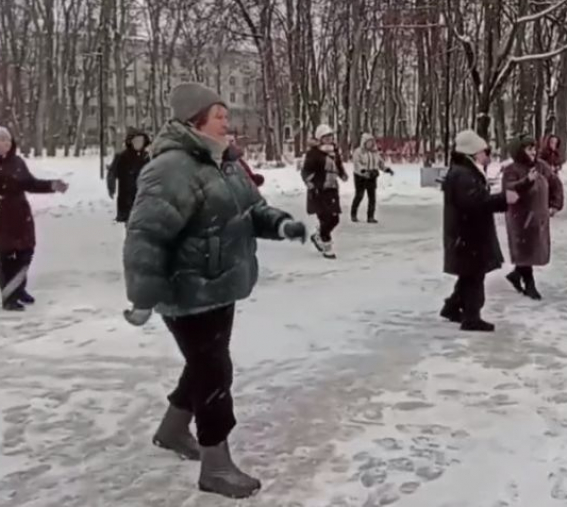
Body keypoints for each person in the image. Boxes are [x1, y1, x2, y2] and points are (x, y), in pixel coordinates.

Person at [122, 82, 307, 500]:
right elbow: (146, 237)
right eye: (219, 114)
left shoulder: (223, 163)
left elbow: (251, 209)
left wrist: (280, 223)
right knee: (213, 371)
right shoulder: (169, 169)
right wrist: (142, 297)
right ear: (195, 120)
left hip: (220, 286)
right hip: (187, 291)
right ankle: (216, 466)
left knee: (203, 364)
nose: (228, 120)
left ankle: (171, 431)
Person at [0, 125, 69, 311]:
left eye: (8, 139)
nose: (7, 143)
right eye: (1, 139)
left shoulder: (17, 162)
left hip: (19, 215)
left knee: (25, 252)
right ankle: (9, 296)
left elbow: (30, 183)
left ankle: (18, 289)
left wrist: (52, 185)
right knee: (5, 256)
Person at [440, 130, 519, 332]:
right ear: (473, 152)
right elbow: (474, 203)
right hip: (468, 234)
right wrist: (503, 199)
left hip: (467, 234)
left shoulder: (465, 171)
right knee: (474, 275)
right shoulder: (463, 174)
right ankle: (471, 316)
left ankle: (452, 307)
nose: (488, 156)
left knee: (469, 274)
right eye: (485, 151)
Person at [502, 137, 564, 300]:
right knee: (524, 249)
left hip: (538, 216)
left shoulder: (541, 166)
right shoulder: (511, 170)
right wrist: (527, 181)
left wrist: (555, 203)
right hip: (519, 217)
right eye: (529, 149)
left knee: (533, 249)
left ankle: (516, 274)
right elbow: (509, 190)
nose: (533, 152)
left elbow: (555, 183)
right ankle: (529, 284)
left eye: (534, 148)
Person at [302, 124, 348, 259]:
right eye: (325, 137)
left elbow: (338, 165)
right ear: (319, 138)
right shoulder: (314, 153)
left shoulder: (334, 151)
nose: (328, 139)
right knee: (325, 218)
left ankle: (319, 236)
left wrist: (342, 174)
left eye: (330, 136)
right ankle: (327, 246)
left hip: (332, 189)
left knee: (334, 218)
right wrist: (310, 183)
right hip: (318, 190)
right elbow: (306, 171)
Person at [107, 128, 151, 223]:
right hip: (126, 197)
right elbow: (112, 172)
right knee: (130, 222)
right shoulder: (122, 157)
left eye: (141, 141)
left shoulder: (147, 157)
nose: (139, 143)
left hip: (143, 197)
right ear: (131, 142)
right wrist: (111, 187)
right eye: (136, 141)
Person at [351, 132, 394, 223]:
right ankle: (353, 214)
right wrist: (363, 171)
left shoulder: (375, 153)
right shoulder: (358, 152)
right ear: (364, 142)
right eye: (368, 142)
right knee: (359, 195)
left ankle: (370, 216)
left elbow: (380, 163)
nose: (370, 144)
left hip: (372, 176)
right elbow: (357, 164)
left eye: (372, 142)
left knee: (372, 197)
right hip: (360, 177)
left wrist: (386, 169)